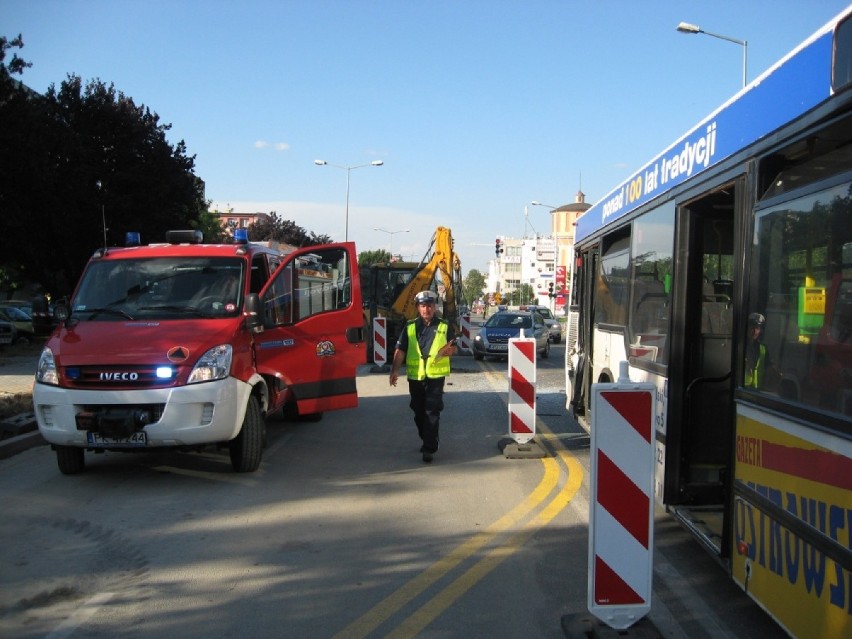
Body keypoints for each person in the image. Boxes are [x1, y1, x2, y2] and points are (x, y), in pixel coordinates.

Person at [389, 290, 457, 463]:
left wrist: (450, 351)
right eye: (423, 306)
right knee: (418, 410)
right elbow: (401, 350)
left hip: (435, 376)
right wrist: (394, 371)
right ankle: (428, 437)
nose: (426, 309)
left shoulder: (444, 325)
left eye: (430, 305)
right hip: (416, 377)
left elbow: (453, 348)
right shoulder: (410, 326)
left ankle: (429, 447)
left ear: (434, 307)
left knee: (431, 410)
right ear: (418, 308)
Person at [745, 312, 777, 388]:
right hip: (743, 389)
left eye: (757, 328)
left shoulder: (763, 348)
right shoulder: (739, 345)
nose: (754, 331)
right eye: (752, 327)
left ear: (760, 331)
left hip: (757, 391)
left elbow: (769, 366)